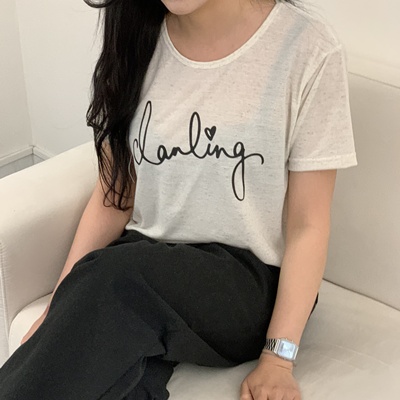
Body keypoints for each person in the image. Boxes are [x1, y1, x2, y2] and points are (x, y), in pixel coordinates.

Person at [0, 0, 357, 399]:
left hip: (245, 285)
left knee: (117, 274)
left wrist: (278, 359)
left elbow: (308, 224)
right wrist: (58, 314)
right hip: (147, 267)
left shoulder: (306, 47)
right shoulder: (136, 36)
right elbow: (114, 196)